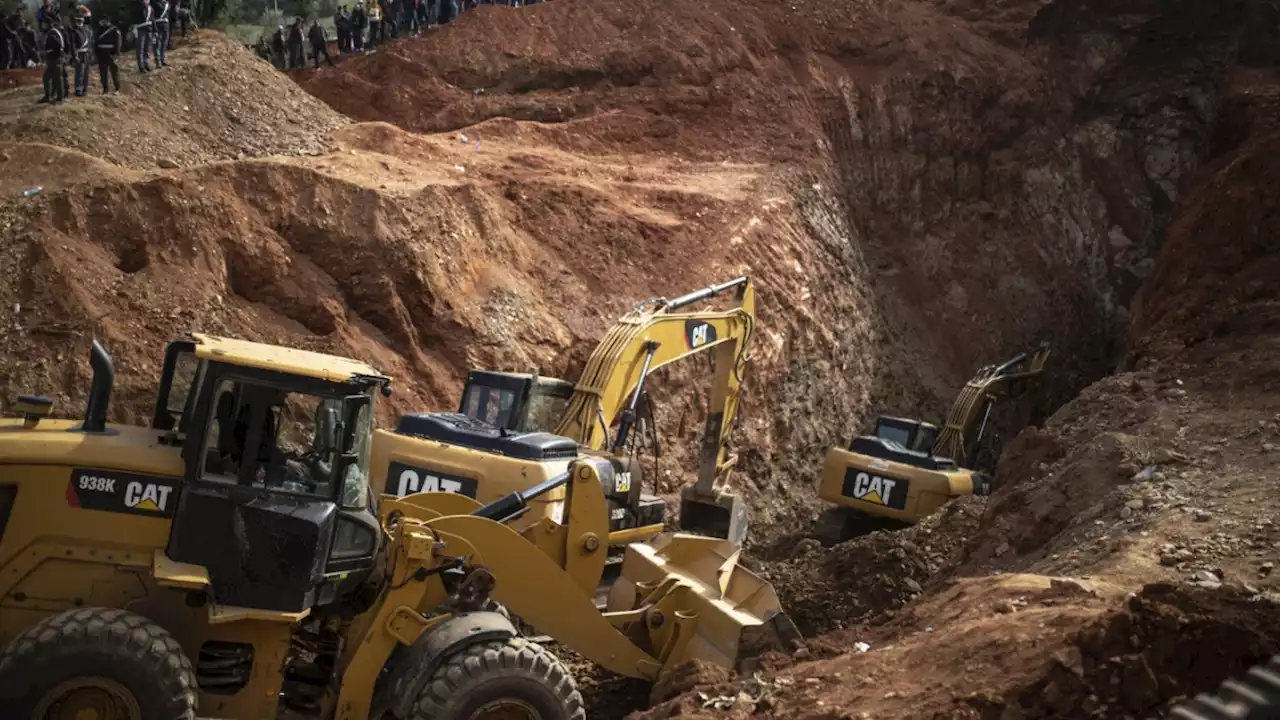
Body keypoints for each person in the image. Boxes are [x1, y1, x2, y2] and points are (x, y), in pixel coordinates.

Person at [39, 13, 65, 104]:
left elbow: (58, 46)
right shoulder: (54, 32)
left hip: (55, 59)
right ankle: (48, 96)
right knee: (47, 77)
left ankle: (59, 98)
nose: (43, 25)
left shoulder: (52, 33)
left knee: (57, 79)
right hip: (54, 59)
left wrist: (55, 56)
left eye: (44, 24)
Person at [94, 14, 120, 93]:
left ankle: (117, 88)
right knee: (103, 73)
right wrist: (96, 53)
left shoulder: (114, 30)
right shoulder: (99, 29)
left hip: (111, 53)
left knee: (114, 72)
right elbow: (96, 42)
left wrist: (116, 54)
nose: (102, 22)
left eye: (103, 21)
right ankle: (105, 89)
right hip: (101, 54)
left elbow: (118, 43)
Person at [70, 11, 90, 96]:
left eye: (80, 21)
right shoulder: (74, 31)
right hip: (79, 54)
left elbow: (90, 42)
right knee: (79, 73)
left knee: (86, 72)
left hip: (86, 53)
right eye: (77, 21)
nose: (79, 22)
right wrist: (75, 55)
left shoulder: (86, 29)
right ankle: (78, 90)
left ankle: (84, 89)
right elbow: (73, 44)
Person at [135, 0, 152, 72]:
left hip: (149, 28)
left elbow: (152, 18)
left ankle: (146, 63)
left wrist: (155, 30)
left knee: (147, 48)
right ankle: (141, 66)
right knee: (140, 48)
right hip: (141, 28)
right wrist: (143, 4)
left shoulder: (150, 7)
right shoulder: (138, 5)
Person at [151, 0, 168, 67]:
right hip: (158, 25)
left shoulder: (165, 3)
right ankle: (158, 62)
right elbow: (152, 16)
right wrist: (154, 28)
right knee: (157, 44)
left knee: (164, 43)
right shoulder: (154, 2)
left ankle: (162, 59)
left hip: (165, 25)